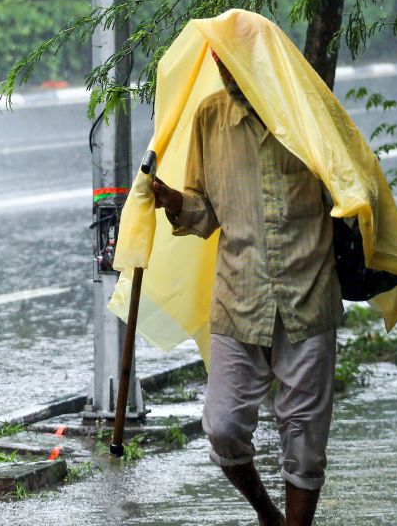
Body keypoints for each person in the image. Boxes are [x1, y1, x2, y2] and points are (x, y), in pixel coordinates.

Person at [149, 48, 339, 526]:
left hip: (308, 295)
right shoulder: (210, 118)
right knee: (224, 428)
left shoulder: (307, 110)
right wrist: (175, 201)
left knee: (304, 438)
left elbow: (350, 185)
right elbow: (205, 209)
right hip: (238, 299)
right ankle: (266, 514)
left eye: (237, 60)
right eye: (221, 62)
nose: (228, 72)